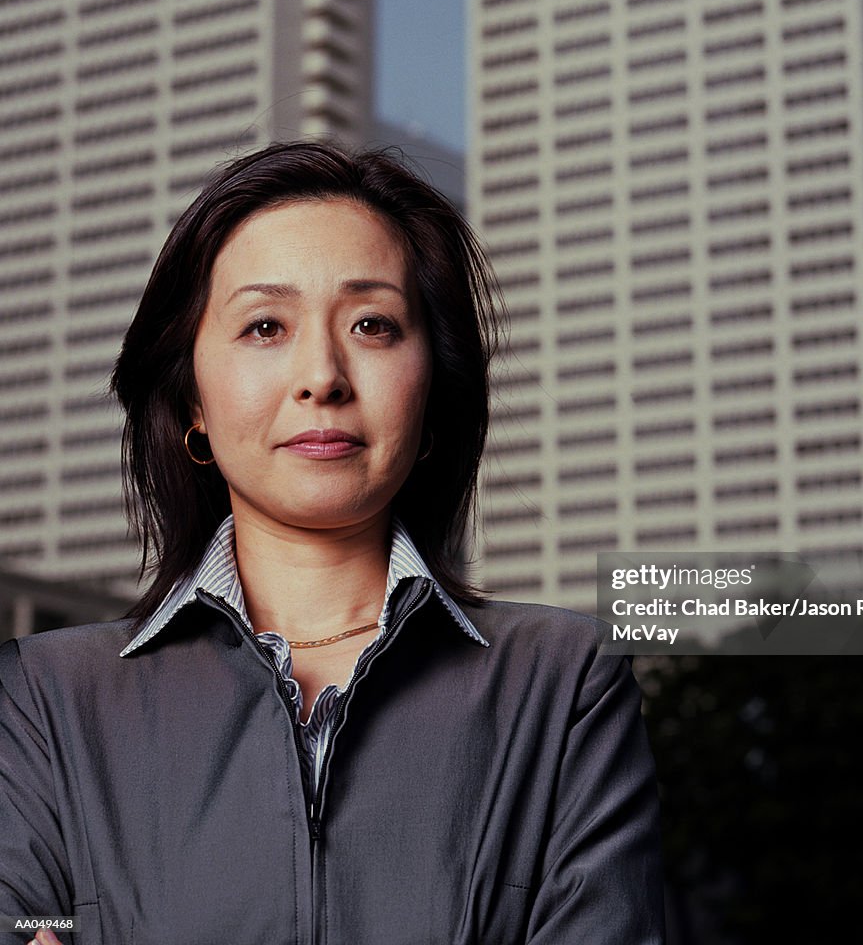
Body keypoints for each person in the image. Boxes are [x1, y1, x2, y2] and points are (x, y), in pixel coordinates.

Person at [0, 142, 666, 944]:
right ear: (192, 402)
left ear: (433, 394)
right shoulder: (42, 700)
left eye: (373, 325)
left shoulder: (562, 683)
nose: (322, 374)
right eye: (264, 325)